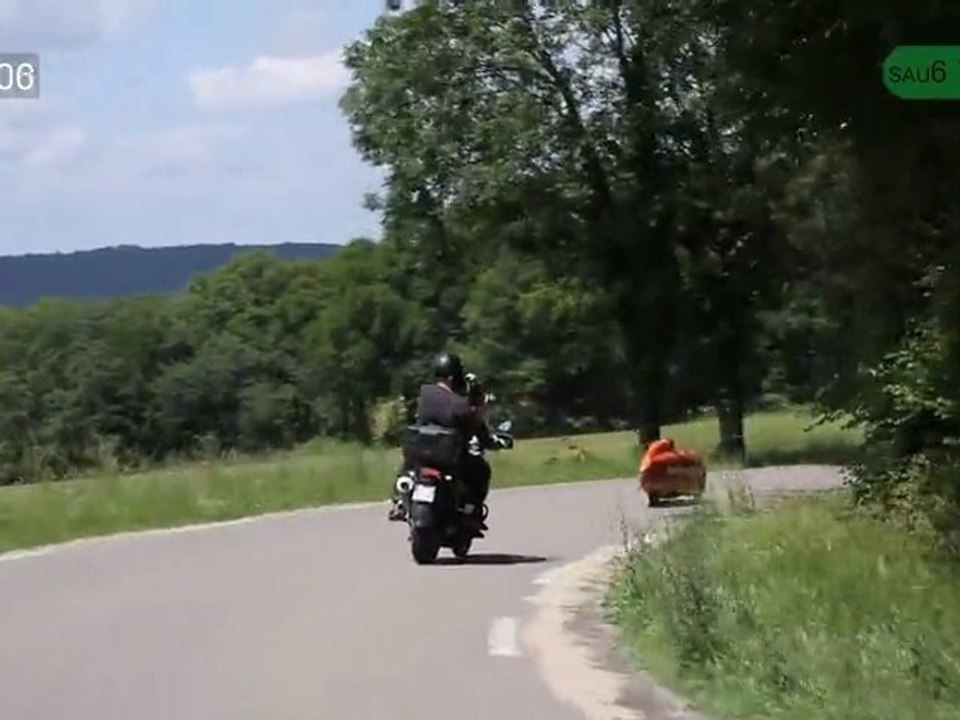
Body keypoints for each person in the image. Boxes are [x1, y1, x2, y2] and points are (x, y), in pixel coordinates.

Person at [388, 352, 495, 530]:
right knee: (481, 470)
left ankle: (399, 501)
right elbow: (473, 421)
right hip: (448, 457)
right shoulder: (458, 404)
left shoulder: (425, 394)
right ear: (453, 377)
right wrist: (481, 407)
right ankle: (470, 511)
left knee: (407, 466)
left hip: (421, 455)